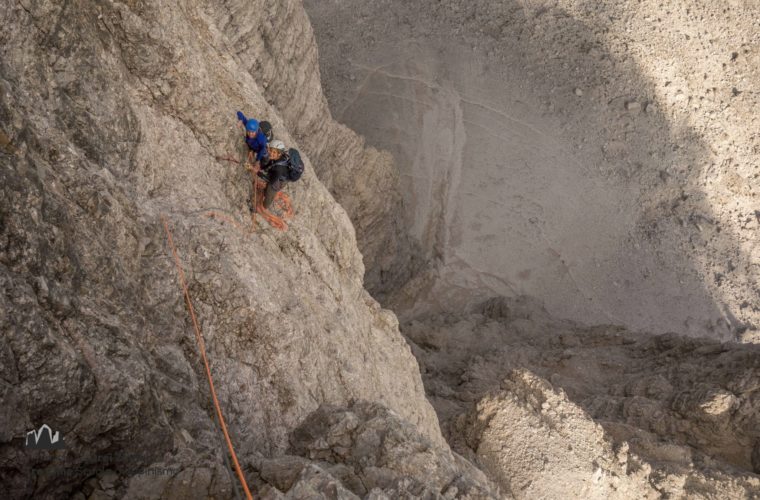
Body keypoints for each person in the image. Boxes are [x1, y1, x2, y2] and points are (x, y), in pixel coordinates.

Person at [258, 140, 292, 209]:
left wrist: (257, 172)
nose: (270, 153)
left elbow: (271, 181)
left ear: (279, 154)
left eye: (274, 152)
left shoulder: (279, 168)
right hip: (276, 175)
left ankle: (264, 206)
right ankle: (265, 193)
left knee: (270, 190)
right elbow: (268, 165)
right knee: (267, 188)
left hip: (279, 181)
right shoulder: (276, 158)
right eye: (270, 150)